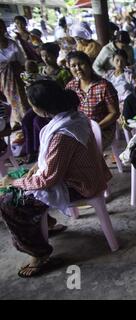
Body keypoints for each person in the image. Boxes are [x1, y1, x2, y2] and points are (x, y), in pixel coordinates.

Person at [0, 80, 112, 278]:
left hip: (80, 185)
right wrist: (35, 167)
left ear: (42, 109)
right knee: (19, 184)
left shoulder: (62, 133)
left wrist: (14, 182)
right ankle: (44, 224)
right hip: (83, 175)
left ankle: (39, 253)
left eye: (32, 104)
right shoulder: (72, 117)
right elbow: (50, 159)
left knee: (8, 201)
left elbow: (47, 180)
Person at [66, 51, 120, 149]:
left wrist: (95, 128)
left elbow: (114, 113)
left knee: (81, 150)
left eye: (81, 64)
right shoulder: (71, 86)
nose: (77, 68)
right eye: (73, 66)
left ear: (89, 64)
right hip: (80, 128)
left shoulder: (104, 86)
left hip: (102, 129)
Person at [0, 18, 29, 127]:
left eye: (1, 27)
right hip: (3, 80)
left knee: (22, 100)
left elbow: (22, 61)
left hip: (17, 78)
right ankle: (14, 122)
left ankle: (24, 122)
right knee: (7, 102)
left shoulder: (12, 43)